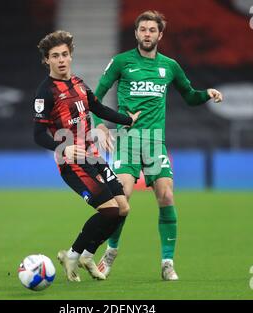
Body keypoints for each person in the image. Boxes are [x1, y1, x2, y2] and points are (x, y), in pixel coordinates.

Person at [93, 10, 223, 280]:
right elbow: (97, 95)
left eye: (152, 30)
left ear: (160, 35)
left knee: (166, 195)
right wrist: (100, 124)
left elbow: (190, 96)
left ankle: (167, 263)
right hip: (127, 141)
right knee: (122, 197)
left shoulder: (170, 66)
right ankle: (110, 252)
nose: (147, 34)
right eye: (143, 30)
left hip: (154, 143)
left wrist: (206, 94)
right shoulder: (121, 62)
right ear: (136, 33)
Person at [33, 30, 140, 282]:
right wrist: (64, 148)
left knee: (123, 208)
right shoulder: (44, 92)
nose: (61, 60)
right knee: (110, 211)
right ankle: (72, 253)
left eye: (65, 55)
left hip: (94, 157)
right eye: (55, 56)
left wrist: (127, 119)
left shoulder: (79, 83)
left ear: (71, 56)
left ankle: (87, 254)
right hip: (72, 163)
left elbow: (99, 108)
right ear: (46, 60)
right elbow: (38, 135)